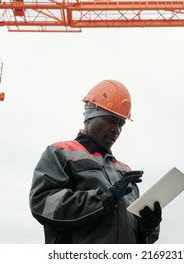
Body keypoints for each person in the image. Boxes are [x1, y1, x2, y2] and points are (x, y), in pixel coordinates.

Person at [29, 79, 162, 244]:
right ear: (90, 116)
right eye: (111, 120)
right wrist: (105, 199)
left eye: (121, 124)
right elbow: (43, 204)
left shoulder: (125, 172)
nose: (116, 129)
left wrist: (149, 228)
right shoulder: (61, 153)